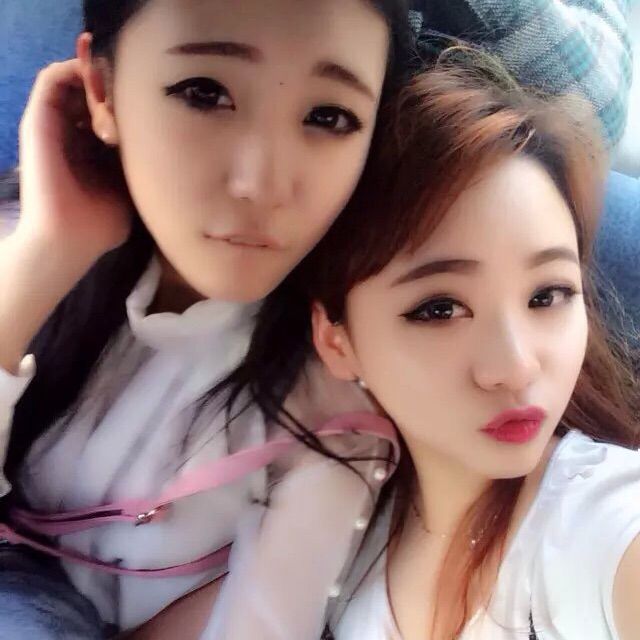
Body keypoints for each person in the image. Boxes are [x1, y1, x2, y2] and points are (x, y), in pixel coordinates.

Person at [0, 0, 412, 637]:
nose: (261, 184)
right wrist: (47, 256)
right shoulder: (27, 242)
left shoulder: (334, 415)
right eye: (204, 92)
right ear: (102, 90)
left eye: (328, 116)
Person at [228, 50, 640, 638]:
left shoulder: (602, 521)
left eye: (548, 295)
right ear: (336, 341)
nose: (515, 367)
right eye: (440, 309)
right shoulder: (339, 541)